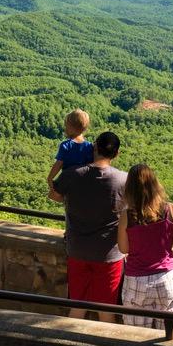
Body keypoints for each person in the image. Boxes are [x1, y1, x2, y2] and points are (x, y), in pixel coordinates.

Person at [49, 130, 126, 321]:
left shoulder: (72, 175)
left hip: (77, 250)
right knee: (106, 312)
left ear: (94, 147)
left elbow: (53, 194)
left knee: (76, 308)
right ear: (116, 154)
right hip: (109, 255)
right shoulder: (124, 180)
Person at [117, 163, 173, 330]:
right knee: (168, 339)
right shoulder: (170, 209)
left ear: (130, 189)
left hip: (137, 282)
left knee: (136, 337)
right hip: (168, 280)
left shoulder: (127, 216)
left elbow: (123, 249)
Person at [47, 108, 93, 189]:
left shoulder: (66, 145)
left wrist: (50, 178)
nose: (65, 129)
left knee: (53, 194)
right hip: (84, 183)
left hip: (68, 181)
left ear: (71, 127)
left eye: (66, 126)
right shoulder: (89, 146)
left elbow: (59, 164)